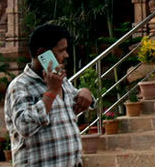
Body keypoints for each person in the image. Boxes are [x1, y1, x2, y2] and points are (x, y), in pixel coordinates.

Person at [7, 24, 94, 167]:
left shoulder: (61, 80)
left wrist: (85, 92)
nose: (66, 55)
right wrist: (51, 92)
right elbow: (24, 126)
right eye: (62, 50)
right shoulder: (19, 86)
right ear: (43, 54)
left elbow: (77, 101)